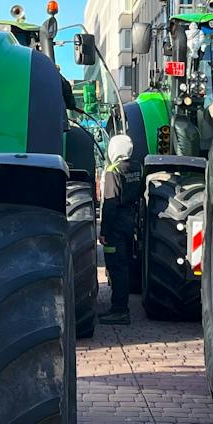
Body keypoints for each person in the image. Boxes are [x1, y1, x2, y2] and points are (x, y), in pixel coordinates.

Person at [99, 133, 141, 324]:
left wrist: (104, 232)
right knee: (124, 266)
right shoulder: (137, 167)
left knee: (116, 268)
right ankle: (120, 308)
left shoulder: (112, 171)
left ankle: (119, 310)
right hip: (129, 223)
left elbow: (110, 205)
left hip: (114, 228)